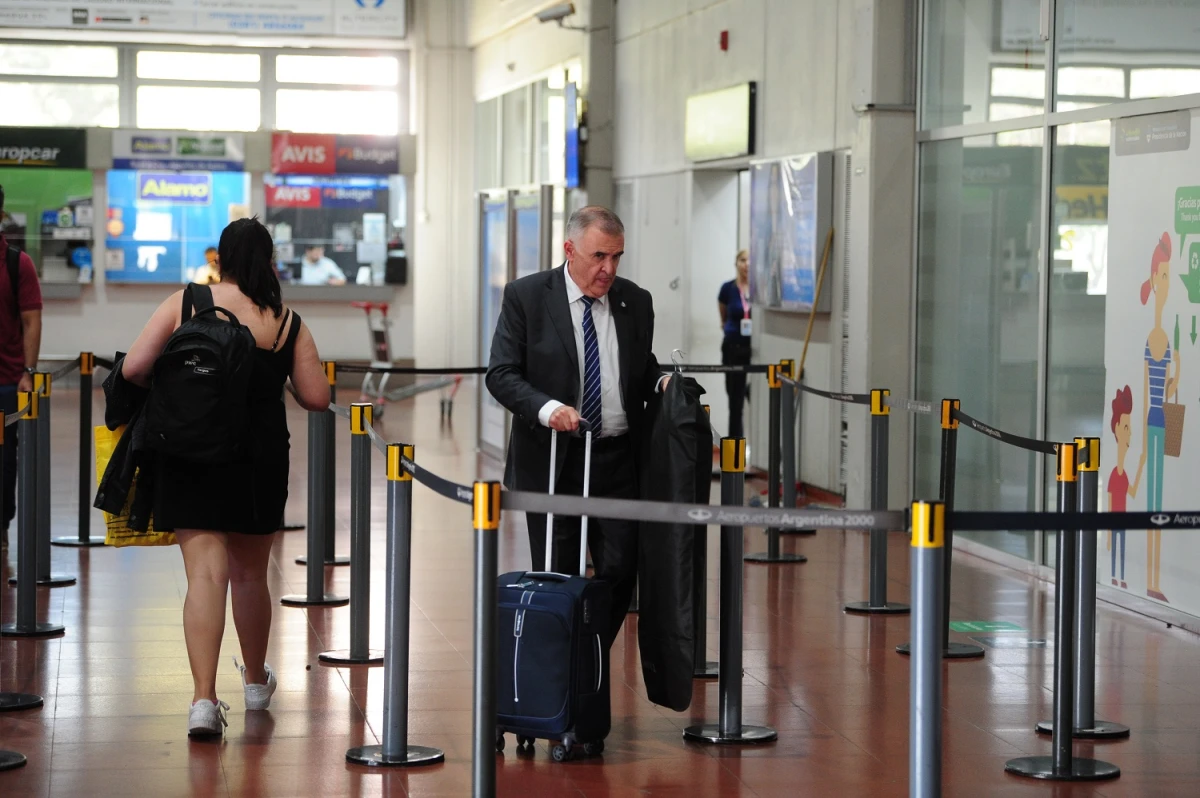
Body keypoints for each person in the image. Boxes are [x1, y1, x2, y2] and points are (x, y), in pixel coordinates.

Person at [120, 217, 331, 737]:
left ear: (221, 259)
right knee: (250, 575)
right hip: (256, 459)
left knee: (205, 576)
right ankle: (256, 683)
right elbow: (317, 398)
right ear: (270, 259)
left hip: (188, 451)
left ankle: (202, 701)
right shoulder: (285, 321)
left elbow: (132, 370)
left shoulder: (187, 301)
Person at [486, 206, 667, 646]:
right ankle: (559, 673)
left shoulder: (635, 301)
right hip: (554, 461)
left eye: (617, 257)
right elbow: (502, 373)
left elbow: (640, 370)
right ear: (569, 249)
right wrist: (547, 408)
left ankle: (590, 656)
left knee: (622, 570)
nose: (608, 269)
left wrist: (664, 384)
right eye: (599, 256)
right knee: (557, 572)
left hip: (618, 461)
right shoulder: (527, 296)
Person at [0, 185, 41, 555]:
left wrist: (28, 371)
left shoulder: (17, 263)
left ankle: (1, 526)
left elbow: (31, 320)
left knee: (3, 460)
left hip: (5, 380)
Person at [1139, 232, 1177, 603]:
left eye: (1169, 277)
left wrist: (1176, 368)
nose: (1165, 284)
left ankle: (1154, 578)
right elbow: (1147, 383)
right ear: (1153, 281)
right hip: (1152, 420)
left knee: (1159, 503)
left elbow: (1167, 385)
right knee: (1151, 503)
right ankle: (1150, 579)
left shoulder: (1165, 336)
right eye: (1162, 277)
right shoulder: (1152, 336)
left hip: (1163, 420)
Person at [1108, 385, 1145, 589]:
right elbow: (1112, 500)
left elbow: (1132, 492)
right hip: (1115, 519)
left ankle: (1120, 578)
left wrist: (1139, 466)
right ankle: (1115, 576)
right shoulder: (1115, 474)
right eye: (1126, 428)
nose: (1129, 434)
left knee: (1121, 550)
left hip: (1123, 520)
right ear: (1116, 430)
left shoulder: (1124, 474)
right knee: (1115, 549)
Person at [718, 249, 752, 439]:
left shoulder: (759, 289)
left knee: (755, 395)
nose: (746, 264)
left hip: (754, 350)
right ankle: (735, 445)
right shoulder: (727, 289)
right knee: (735, 400)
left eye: (750, 260)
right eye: (742, 260)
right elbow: (723, 316)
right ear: (736, 263)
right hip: (733, 347)